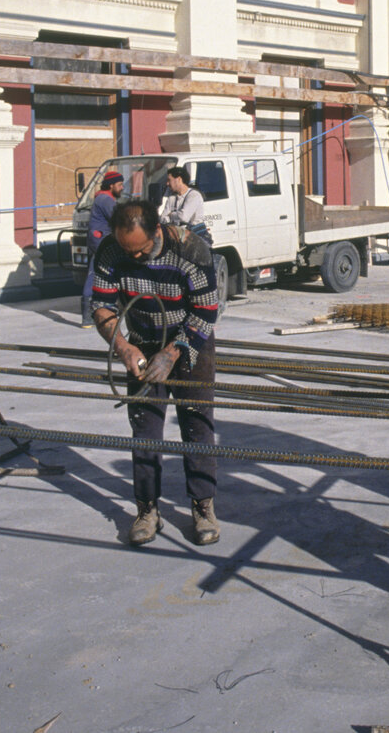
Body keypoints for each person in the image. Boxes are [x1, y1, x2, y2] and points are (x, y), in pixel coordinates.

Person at [90, 199, 222, 547]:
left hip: (191, 340)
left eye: (142, 250)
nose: (134, 258)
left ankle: (202, 506)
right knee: (145, 429)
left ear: (157, 231)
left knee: (197, 424)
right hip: (142, 340)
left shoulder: (192, 250)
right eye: (127, 251)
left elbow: (207, 311)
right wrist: (123, 347)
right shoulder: (110, 251)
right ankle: (148, 509)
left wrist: (175, 351)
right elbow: (100, 304)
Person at [80, 170, 123, 326]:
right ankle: (87, 317)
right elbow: (119, 219)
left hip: (99, 240)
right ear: (111, 185)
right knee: (94, 274)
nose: (122, 187)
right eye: (119, 184)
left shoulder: (102, 198)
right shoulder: (106, 200)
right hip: (102, 242)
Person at [159, 165, 211, 244]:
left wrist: (171, 215)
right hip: (179, 236)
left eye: (169, 180)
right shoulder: (171, 198)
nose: (167, 183)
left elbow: (184, 217)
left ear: (179, 179)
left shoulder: (194, 195)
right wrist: (171, 216)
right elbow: (163, 219)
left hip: (196, 236)